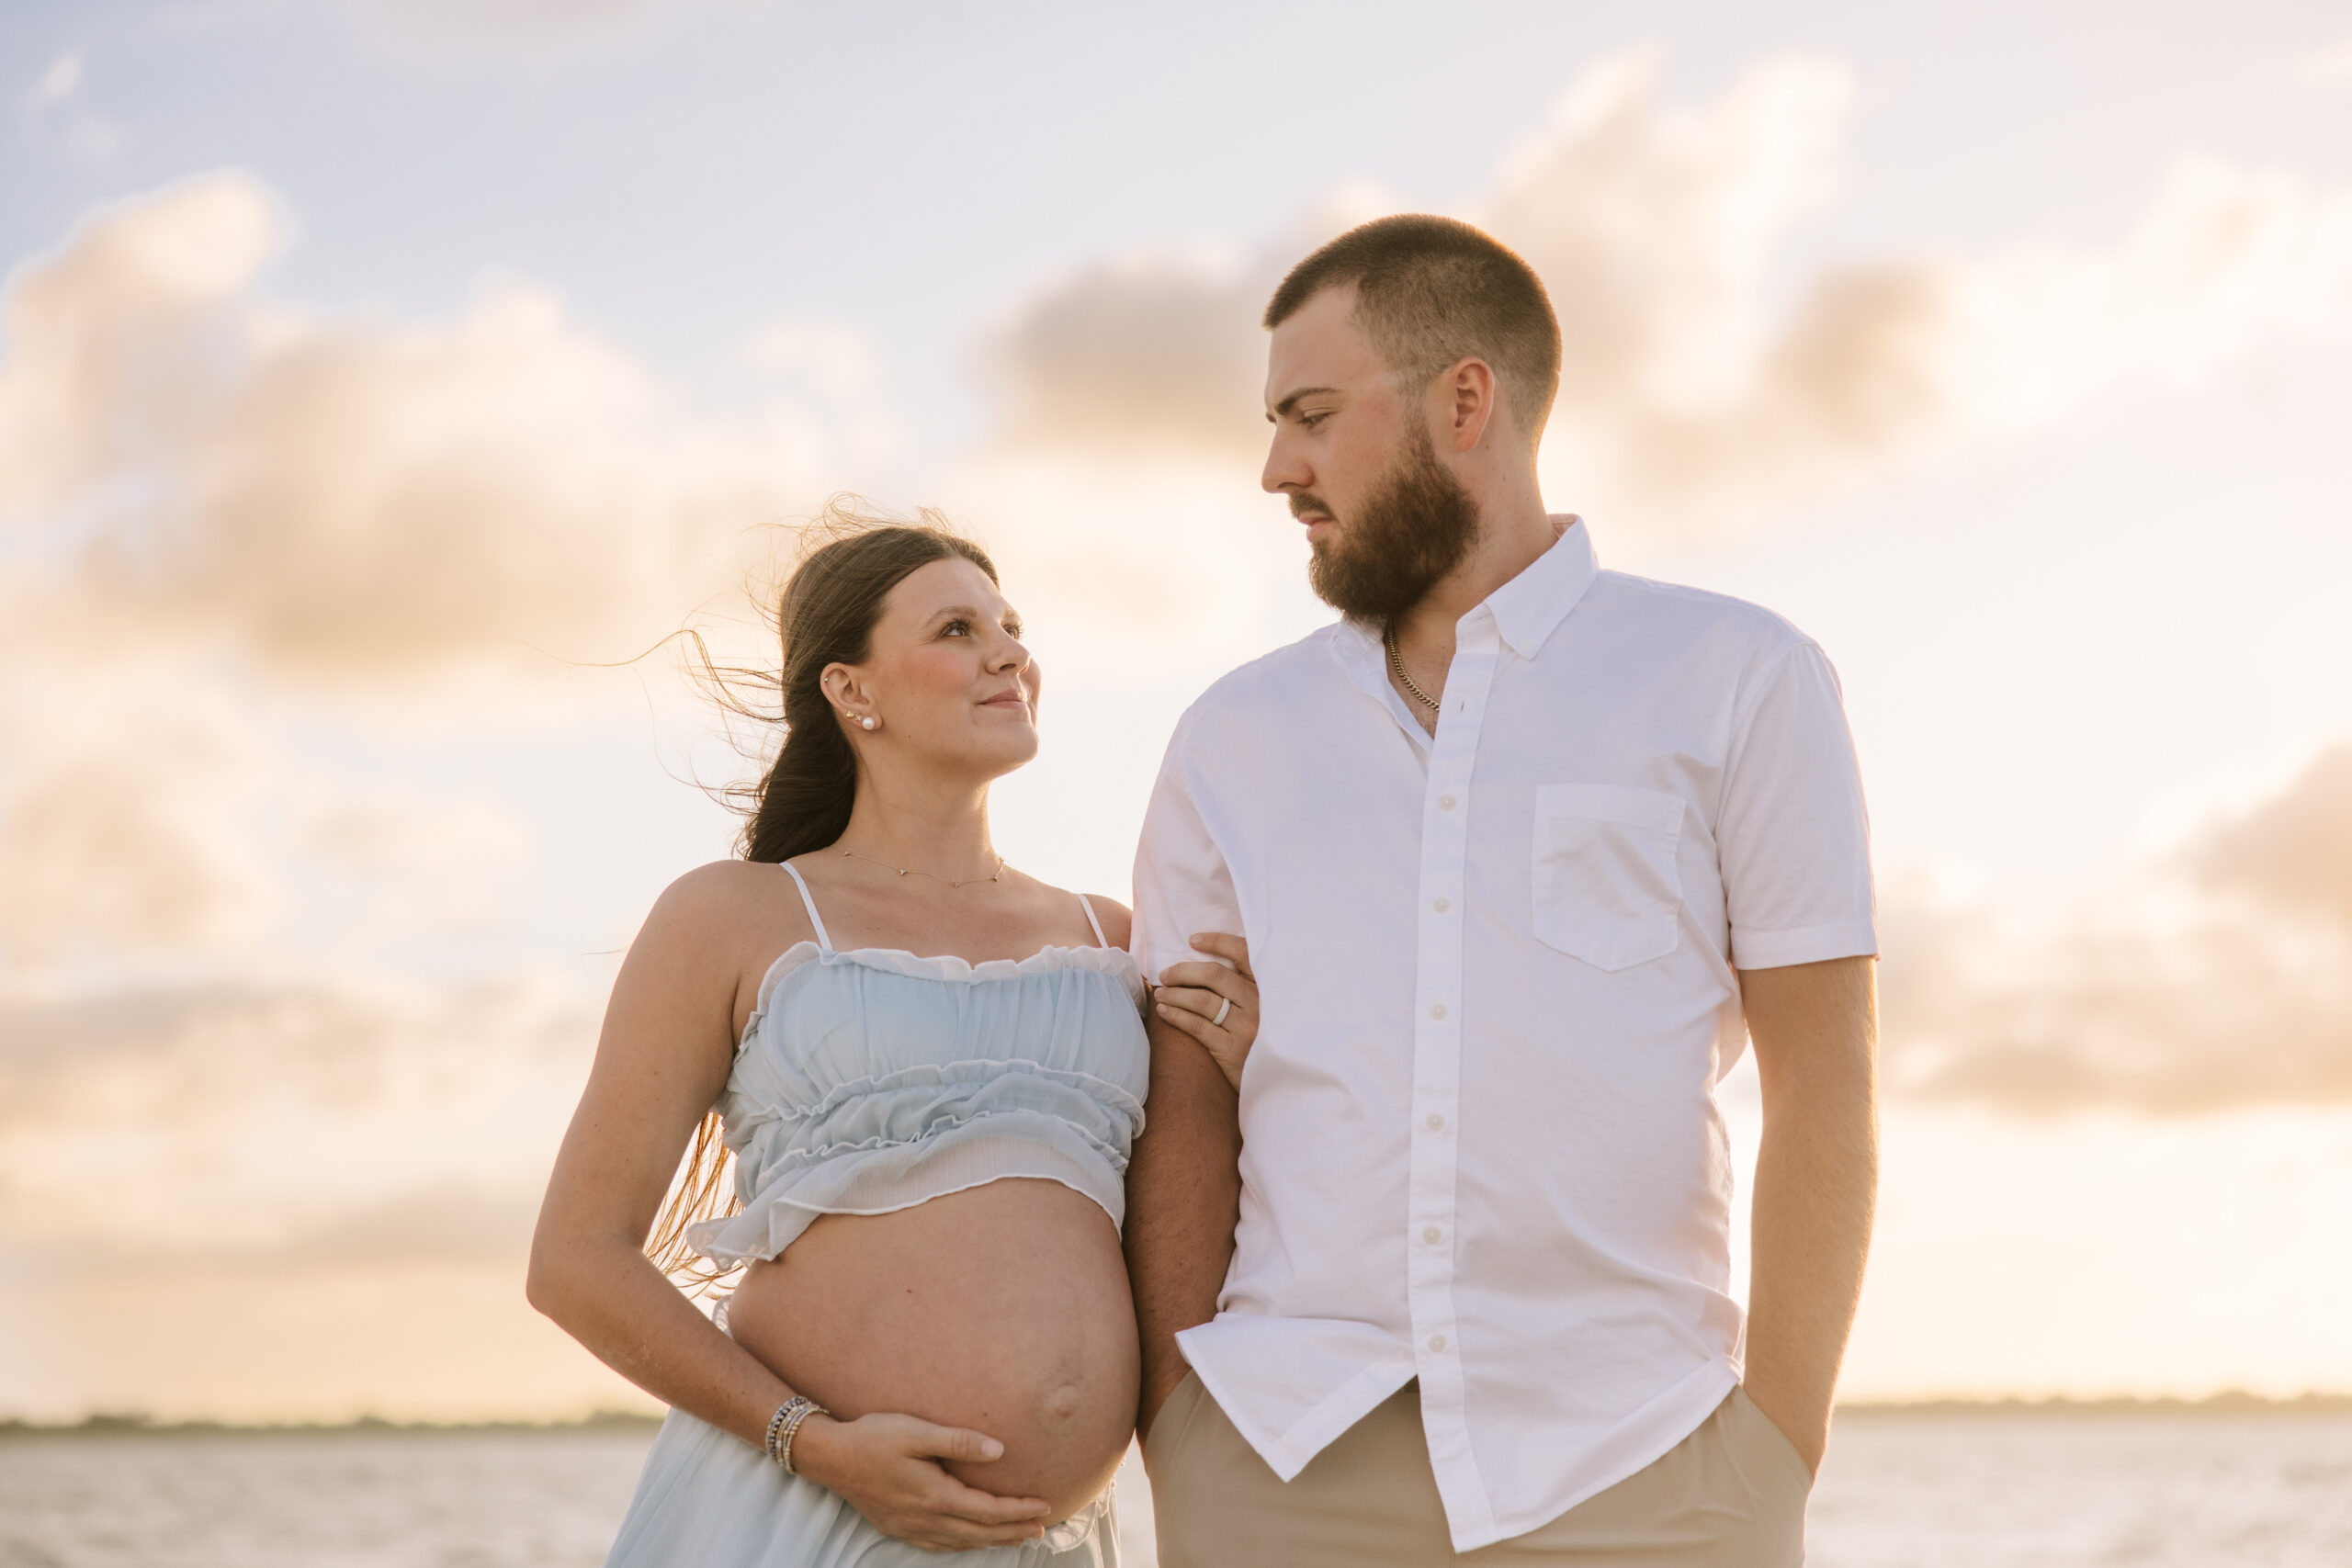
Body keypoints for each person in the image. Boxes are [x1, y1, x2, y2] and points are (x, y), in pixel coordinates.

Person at [1125, 216, 1880, 1566]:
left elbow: (1826, 1080)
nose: (1274, 468)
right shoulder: (1234, 736)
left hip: (1646, 1457)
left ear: (1464, 399)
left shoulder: (1737, 674)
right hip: (1282, 1452)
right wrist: (1177, 1428)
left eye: (1310, 415)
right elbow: (1188, 1092)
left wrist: (1777, 1440)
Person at [526, 510, 1260, 1566]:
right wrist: (814, 1444)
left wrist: (1252, 1067)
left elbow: (1213, 1218)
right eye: (957, 629)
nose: (1010, 651)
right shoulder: (734, 916)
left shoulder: (1118, 936)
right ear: (850, 690)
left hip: (1043, 1544)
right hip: (802, 1517)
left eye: (1011, 625)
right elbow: (574, 1262)